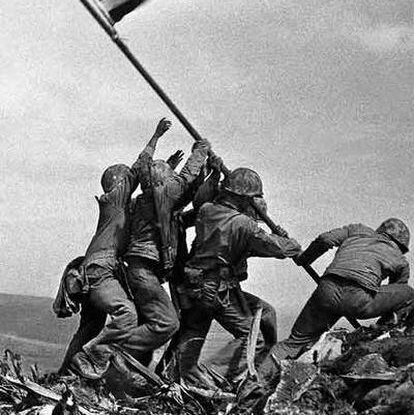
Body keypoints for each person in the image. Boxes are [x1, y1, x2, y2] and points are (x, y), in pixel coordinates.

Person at [238, 217, 414, 411]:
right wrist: (382, 324)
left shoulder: (357, 229)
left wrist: (304, 259)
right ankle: (384, 331)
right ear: (400, 243)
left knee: (293, 342)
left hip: (327, 291)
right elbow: (395, 292)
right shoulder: (400, 260)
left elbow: (325, 240)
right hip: (360, 301)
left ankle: (252, 386)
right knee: (408, 293)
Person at [64, 118, 172, 378]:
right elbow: (139, 168)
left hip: (96, 271)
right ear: (119, 182)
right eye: (127, 180)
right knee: (126, 314)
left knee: (91, 325)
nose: (131, 182)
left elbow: (146, 183)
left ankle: (65, 374)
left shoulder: (120, 206)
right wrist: (156, 137)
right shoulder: (114, 200)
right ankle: (92, 357)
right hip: (101, 270)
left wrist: (167, 170)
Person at [176, 167, 302, 388]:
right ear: (244, 198)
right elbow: (278, 249)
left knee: (196, 331)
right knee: (253, 339)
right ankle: (211, 376)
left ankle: (181, 376)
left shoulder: (207, 210)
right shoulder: (243, 224)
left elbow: (235, 244)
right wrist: (290, 242)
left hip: (195, 284)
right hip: (216, 289)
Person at [123, 129, 212, 366]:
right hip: (145, 271)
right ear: (163, 181)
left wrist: (207, 177)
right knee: (167, 323)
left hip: (142, 269)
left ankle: (132, 371)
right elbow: (184, 181)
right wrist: (200, 151)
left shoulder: (148, 202)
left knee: (152, 325)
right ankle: (109, 351)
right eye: (169, 175)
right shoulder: (161, 195)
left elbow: (183, 200)